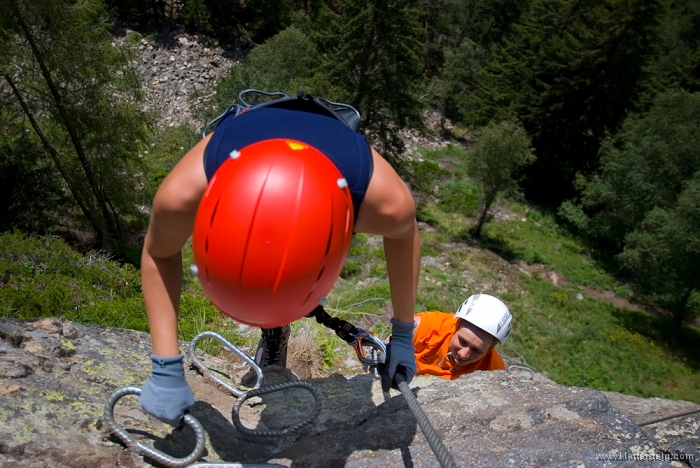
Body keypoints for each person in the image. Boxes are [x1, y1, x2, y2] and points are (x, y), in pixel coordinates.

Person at [138, 91, 420, 425]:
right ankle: (275, 331)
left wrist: (403, 333)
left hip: (335, 155)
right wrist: (165, 365)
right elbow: (158, 254)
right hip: (245, 138)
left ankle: (275, 328)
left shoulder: (385, 203)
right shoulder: (182, 196)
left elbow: (405, 234)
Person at [412, 293, 511, 380]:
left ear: (489, 349)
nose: (463, 354)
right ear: (457, 325)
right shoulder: (425, 328)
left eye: (476, 350)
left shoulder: (493, 370)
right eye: (463, 341)